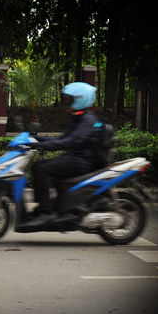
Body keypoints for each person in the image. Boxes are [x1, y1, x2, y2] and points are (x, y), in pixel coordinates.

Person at [27, 82, 100, 220]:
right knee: (38, 166)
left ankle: (44, 211)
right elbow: (62, 138)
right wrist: (35, 138)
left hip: (81, 162)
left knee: (41, 169)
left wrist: (42, 146)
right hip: (73, 159)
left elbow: (70, 142)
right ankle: (56, 206)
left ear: (80, 99)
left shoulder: (88, 120)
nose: (66, 102)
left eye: (69, 99)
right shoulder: (78, 118)